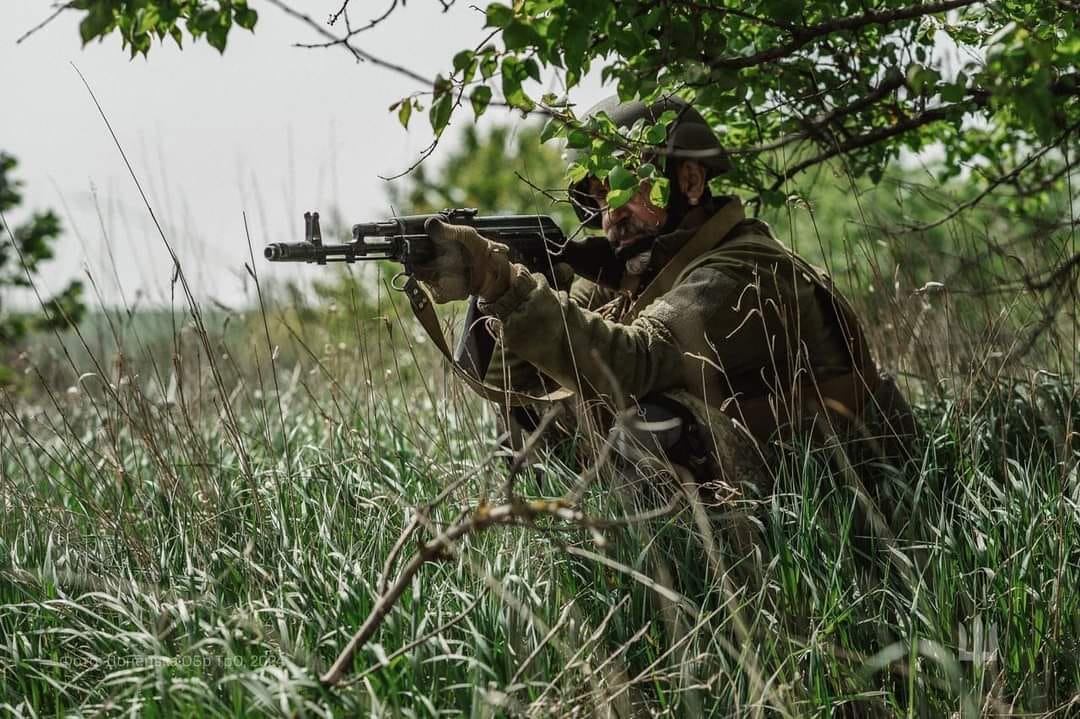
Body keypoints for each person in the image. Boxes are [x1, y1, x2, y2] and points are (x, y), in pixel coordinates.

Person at [411, 95, 917, 503]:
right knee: (544, 413)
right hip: (758, 480)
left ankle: (686, 592)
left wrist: (508, 285)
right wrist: (493, 295)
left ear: (690, 181)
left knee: (649, 421)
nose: (611, 215)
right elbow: (521, 388)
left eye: (627, 187)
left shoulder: (743, 269)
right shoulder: (630, 272)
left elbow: (631, 363)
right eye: (599, 196)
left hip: (835, 489)